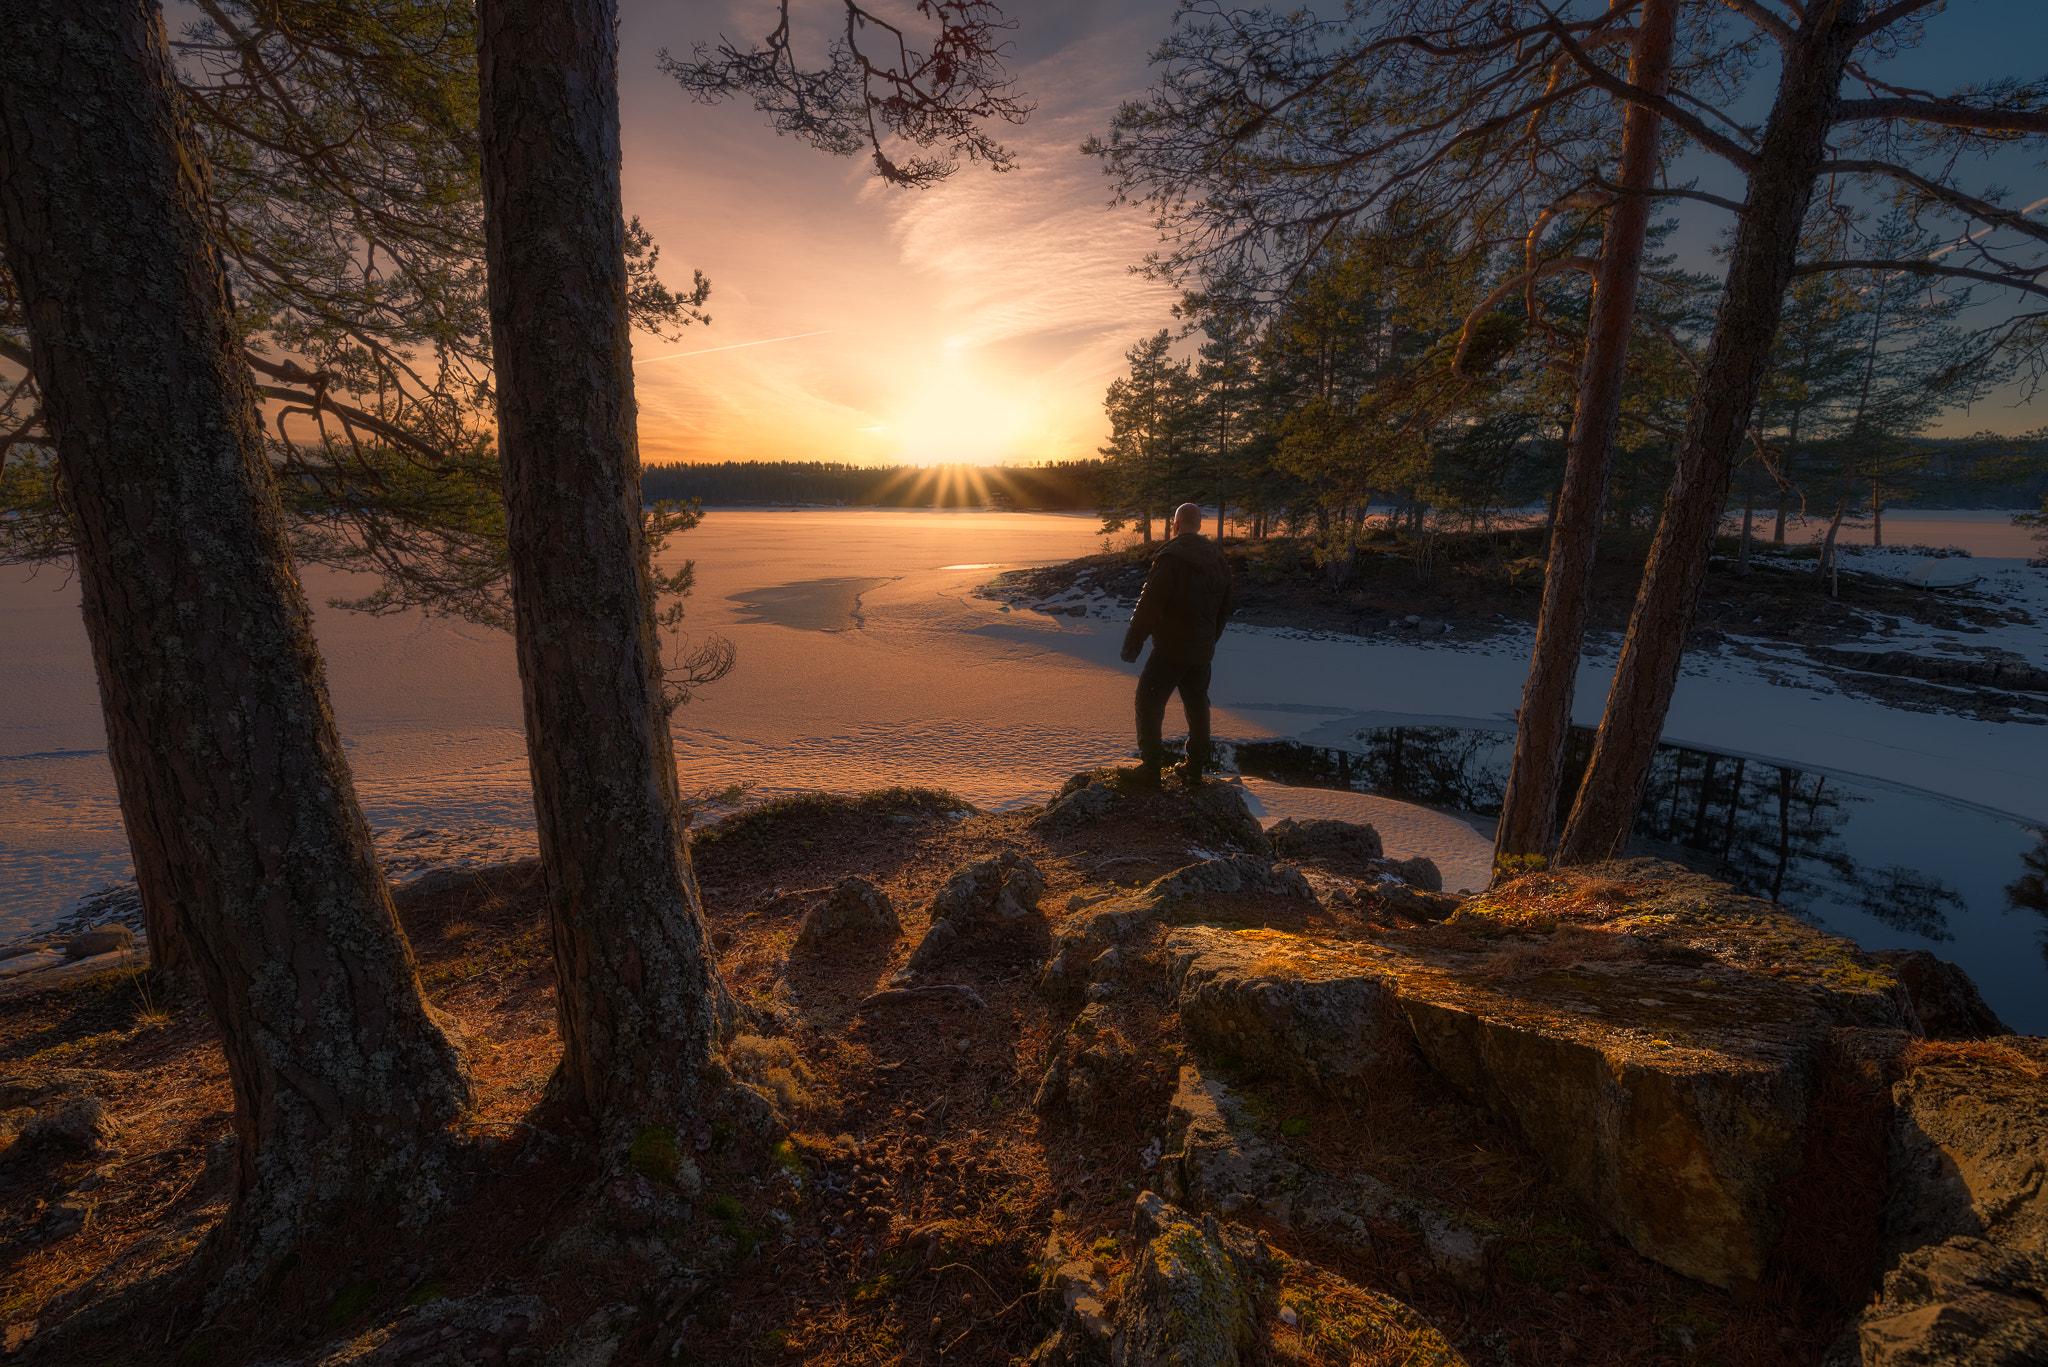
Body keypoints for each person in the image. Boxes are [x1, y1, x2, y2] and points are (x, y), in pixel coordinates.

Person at [1119, 502, 1237, 786]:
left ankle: (1150, 771)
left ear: (1175, 526)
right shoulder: (1219, 563)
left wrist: (1132, 644)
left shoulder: (1170, 558)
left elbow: (1150, 605)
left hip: (1170, 650)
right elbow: (1224, 609)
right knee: (1198, 706)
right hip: (1201, 652)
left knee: (1147, 702)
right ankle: (1194, 769)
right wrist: (1209, 640)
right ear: (1198, 526)